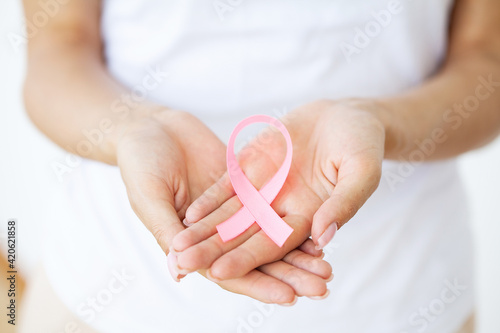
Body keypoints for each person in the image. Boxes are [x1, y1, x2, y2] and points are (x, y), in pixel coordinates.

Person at [19, 0, 499, 332]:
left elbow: (487, 62)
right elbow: (57, 47)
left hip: (404, 298)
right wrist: (133, 129)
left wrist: (380, 121)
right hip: (107, 296)